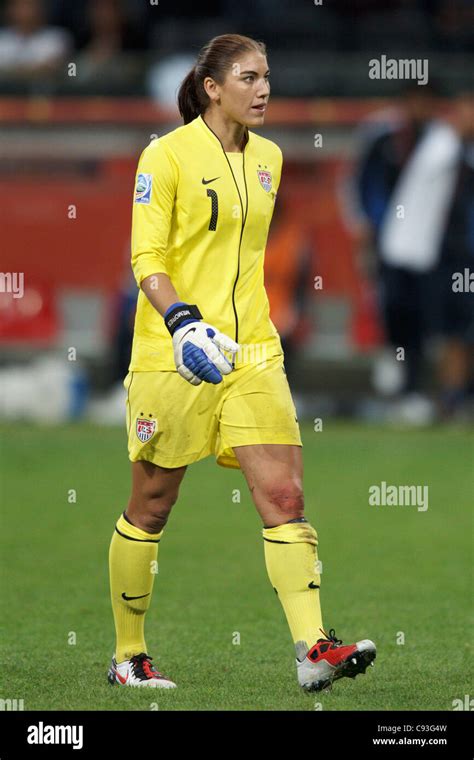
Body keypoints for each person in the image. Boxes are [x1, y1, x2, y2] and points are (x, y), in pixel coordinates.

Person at [107, 33, 376, 693]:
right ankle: (128, 656)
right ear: (212, 86)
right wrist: (181, 323)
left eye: (267, 77)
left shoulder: (272, 159)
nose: (263, 90)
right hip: (172, 351)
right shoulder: (164, 156)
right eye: (250, 78)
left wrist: (243, 330)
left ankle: (314, 649)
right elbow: (148, 258)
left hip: (252, 351)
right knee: (152, 503)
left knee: (284, 496)